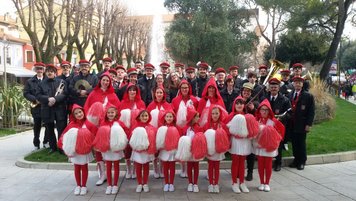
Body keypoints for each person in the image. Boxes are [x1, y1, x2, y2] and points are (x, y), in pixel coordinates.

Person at [83, 71, 121, 186]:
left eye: (107, 81)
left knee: (109, 148)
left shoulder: (113, 95)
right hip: (96, 126)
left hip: (108, 126)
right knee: (98, 149)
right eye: (104, 80)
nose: (105, 82)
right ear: (100, 81)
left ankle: (111, 173)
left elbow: (118, 110)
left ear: (110, 82)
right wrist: (91, 122)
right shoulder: (93, 94)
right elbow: (87, 108)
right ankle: (102, 173)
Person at [57, 104, 97, 196]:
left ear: (83, 112)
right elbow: (64, 136)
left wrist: (94, 145)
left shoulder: (89, 124)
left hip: (85, 151)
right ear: (73, 115)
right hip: (75, 151)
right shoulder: (71, 125)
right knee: (77, 168)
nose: (79, 114)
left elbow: (95, 134)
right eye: (76, 113)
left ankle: (84, 186)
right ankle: (78, 185)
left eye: (80, 112)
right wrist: (62, 145)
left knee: (84, 167)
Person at [226, 96, 259, 194]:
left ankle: (242, 182)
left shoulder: (247, 116)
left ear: (244, 105)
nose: (239, 105)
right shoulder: (231, 115)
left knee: (242, 162)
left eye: (241, 103)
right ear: (234, 105)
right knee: (235, 162)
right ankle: (234, 183)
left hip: (245, 142)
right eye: (237, 103)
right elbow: (225, 127)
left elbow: (252, 129)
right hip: (235, 142)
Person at [93, 104, 128, 195]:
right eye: (108, 112)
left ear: (116, 113)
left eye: (112, 112)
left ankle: (115, 185)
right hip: (107, 149)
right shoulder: (103, 123)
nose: (110, 114)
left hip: (116, 148)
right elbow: (99, 135)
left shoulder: (119, 123)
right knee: (108, 166)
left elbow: (125, 132)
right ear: (106, 113)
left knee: (116, 166)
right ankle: (109, 185)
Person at [254, 99, 284, 192]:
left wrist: (276, 141)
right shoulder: (257, 120)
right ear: (259, 110)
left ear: (269, 111)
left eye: (266, 110)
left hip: (269, 147)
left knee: (268, 164)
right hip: (259, 146)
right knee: (260, 165)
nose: (264, 111)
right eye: (262, 109)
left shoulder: (273, 121)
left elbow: (281, 130)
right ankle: (261, 182)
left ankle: (267, 183)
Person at [36, 64, 67, 153]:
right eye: (48, 71)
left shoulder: (61, 82)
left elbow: (65, 94)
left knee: (61, 129)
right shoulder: (41, 84)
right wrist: (48, 99)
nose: (50, 73)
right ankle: (53, 147)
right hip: (47, 109)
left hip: (60, 109)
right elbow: (38, 95)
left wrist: (55, 99)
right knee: (49, 129)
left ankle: (61, 148)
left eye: (52, 71)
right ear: (46, 73)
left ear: (55, 73)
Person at [118, 83, 146, 179]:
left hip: (136, 130)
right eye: (130, 90)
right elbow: (119, 117)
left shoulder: (141, 102)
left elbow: (144, 117)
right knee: (127, 150)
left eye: (134, 90)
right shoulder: (122, 103)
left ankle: (134, 169)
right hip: (125, 130)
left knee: (135, 148)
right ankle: (128, 169)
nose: (132, 92)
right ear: (127, 92)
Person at [288, 76, 315, 170]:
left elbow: (311, 111)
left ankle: (302, 161)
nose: (297, 84)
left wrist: (309, 124)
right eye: (296, 82)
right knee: (294, 143)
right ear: (293, 84)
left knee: (301, 143)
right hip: (292, 123)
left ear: (302, 84)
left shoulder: (308, 96)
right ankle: (296, 159)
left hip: (302, 123)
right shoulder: (290, 94)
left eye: (299, 82)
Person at [176, 106, 205, 193]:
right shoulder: (185, 128)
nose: (198, 118)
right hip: (188, 151)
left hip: (196, 151)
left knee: (196, 166)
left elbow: (201, 139)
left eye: (198, 116)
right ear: (192, 117)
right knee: (189, 166)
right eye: (196, 116)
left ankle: (195, 183)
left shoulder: (199, 128)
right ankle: (190, 183)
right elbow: (182, 138)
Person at [265, 78, 291, 171]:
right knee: (266, 143)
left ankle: (278, 163)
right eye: (271, 87)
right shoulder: (265, 98)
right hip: (267, 125)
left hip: (278, 125)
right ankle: (267, 161)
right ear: (269, 88)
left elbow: (289, 113)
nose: (273, 89)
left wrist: (280, 117)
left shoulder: (285, 100)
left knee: (278, 145)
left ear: (279, 88)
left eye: (275, 87)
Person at [147, 86, 172, 178]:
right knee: (154, 149)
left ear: (163, 94)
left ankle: (162, 168)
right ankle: (155, 168)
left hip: (164, 130)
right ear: (155, 94)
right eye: (157, 93)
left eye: (161, 93)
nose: (159, 94)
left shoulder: (167, 105)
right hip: (153, 130)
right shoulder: (151, 105)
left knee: (162, 148)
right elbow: (147, 117)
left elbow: (171, 116)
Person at [204, 105, 229, 194]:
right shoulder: (207, 125)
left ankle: (216, 184)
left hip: (218, 150)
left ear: (220, 114)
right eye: (213, 113)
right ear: (210, 114)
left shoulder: (222, 125)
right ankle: (211, 184)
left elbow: (226, 137)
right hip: (210, 150)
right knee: (210, 166)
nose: (215, 115)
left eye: (216, 113)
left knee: (217, 167)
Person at [129, 110, 157, 193]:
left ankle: (145, 183)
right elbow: (131, 138)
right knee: (138, 166)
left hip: (147, 151)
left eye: (146, 116)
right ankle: (139, 183)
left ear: (149, 117)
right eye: (142, 116)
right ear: (139, 117)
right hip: (138, 151)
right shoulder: (135, 127)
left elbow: (153, 140)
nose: (144, 117)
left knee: (146, 166)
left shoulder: (152, 127)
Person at [23, 62, 49, 150]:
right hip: (36, 107)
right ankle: (36, 144)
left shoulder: (48, 80)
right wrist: (35, 99)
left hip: (46, 107)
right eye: (37, 69)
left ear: (44, 70)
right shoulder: (30, 81)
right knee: (37, 126)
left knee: (48, 125)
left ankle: (46, 142)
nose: (39, 70)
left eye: (41, 69)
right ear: (35, 70)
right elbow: (26, 93)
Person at [156, 110, 181, 192]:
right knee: (165, 167)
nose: (169, 118)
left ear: (173, 118)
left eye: (171, 116)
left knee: (172, 167)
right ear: (164, 118)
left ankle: (171, 183)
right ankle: (166, 183)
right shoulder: (162, 128)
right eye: (167, 116)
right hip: (164, 151)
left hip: (173, 150)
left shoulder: (176, 127)